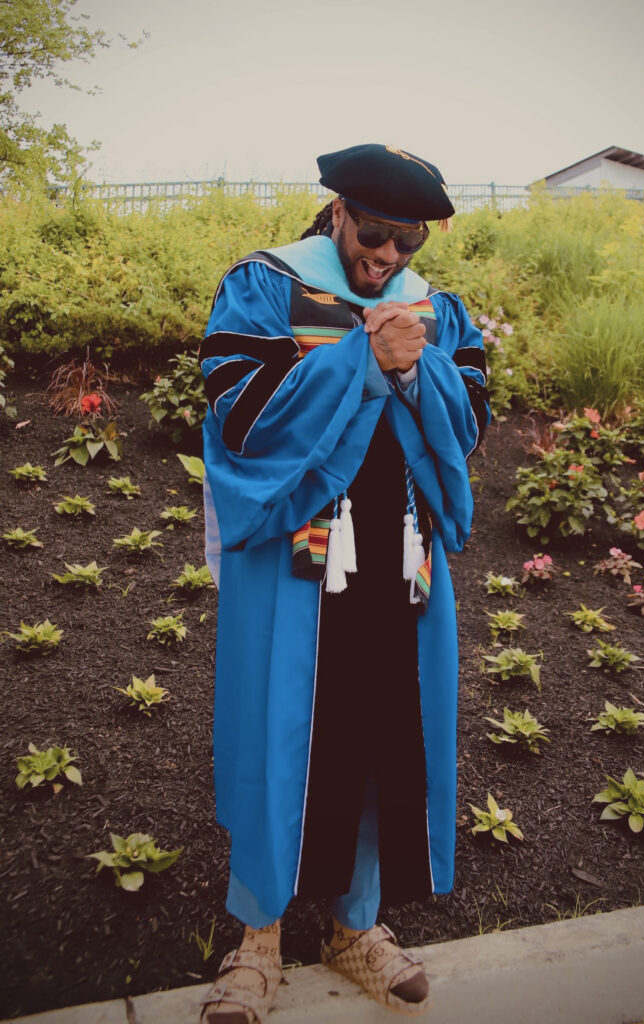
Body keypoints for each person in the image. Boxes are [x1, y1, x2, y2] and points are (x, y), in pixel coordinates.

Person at [199, 143, 490, 1023]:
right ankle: (257, 936)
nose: (388, 256)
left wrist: (412, 364)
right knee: (281, 732)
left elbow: (470, 420)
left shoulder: (436, 309)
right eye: (373, 234)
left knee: (381, 730)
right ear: (336, 212)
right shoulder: (264, 286)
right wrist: (361, 361)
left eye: (409, 240)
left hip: (398, 556)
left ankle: (355, 924)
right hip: (295, 557)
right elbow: (238, 414)